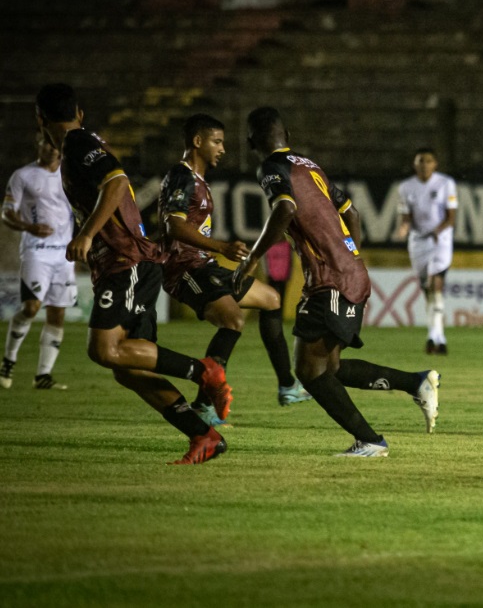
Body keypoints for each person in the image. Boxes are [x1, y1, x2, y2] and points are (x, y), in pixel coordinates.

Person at [35, 83, 230, 465]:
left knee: (103, 349)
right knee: (127, 368)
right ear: (79, 111)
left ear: (39, 119)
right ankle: (204, 436)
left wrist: (89, 234)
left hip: (128, 262)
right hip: (127, 262)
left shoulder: (76, 143)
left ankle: (204, 371)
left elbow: (117, 180)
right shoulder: (83, 140)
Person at [233, 107, 440, 457]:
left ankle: (371, 441)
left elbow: (284, 209)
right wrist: (349, 258)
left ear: (250, 139)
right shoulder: (310, 166)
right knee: (330, 369)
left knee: (309, 372)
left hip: (330, 279)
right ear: (289, 136)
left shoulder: (271, 167)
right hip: (347, 273)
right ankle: (415, 382)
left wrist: (251, 260)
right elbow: (352, 212)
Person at [159, 114, 310, 427]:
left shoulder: (199, 181)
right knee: (234, 320)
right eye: (217, 141)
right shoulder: (182, 175)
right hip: (184, 268)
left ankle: (287, 385)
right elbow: (173, 226)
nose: (223, 148)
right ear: (197, 142)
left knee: (271, 299)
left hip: (204, 265)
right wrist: (221, 247)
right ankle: (203, 404)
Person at [1, 131, 77, 390]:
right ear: (40, 145)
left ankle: (43, 375)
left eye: (55, 145)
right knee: (31, 308)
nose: (51, 149)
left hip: (64, 254)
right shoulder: (23, 176)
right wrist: (28, 227)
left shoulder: (70, 175)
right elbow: (6, 212)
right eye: (47, 144)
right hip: (37, 251)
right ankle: (9, 360)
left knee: (57, 314)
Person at [396, 148, 458, 355]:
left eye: (428, 161)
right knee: (427, 291)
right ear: (415, 165)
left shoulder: (446, 183)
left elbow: (451, 217)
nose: (424, 165)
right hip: (418, 243)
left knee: (435, 283)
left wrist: (436, 232)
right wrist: (404, 228)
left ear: (435, 164)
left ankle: (433, 338)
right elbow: (406, 217)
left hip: (440, 240)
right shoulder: (406, 187)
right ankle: (438, 337)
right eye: (420, 161)